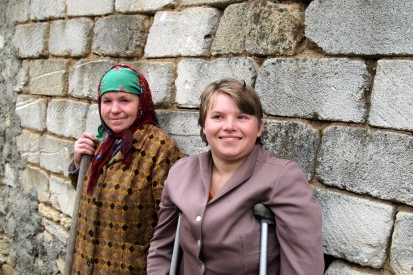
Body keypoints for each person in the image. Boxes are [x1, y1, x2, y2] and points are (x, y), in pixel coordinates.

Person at [147, 78, 324, 274]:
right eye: (218, 117)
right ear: (204, 126)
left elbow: (304, 267)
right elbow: (163, 246)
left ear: (259, 127)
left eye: (242, 117)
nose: (229, 126)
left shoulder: (283, 177)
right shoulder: (181, 172)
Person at [67, 64, 184, 274]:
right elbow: (93, 197)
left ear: (142, 103)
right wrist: (77, 165)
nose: (114, 110)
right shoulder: (102, 143)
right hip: (84, 264)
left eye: (124, 100)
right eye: (107, 101)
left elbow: (173, 226)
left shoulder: (160, 150)